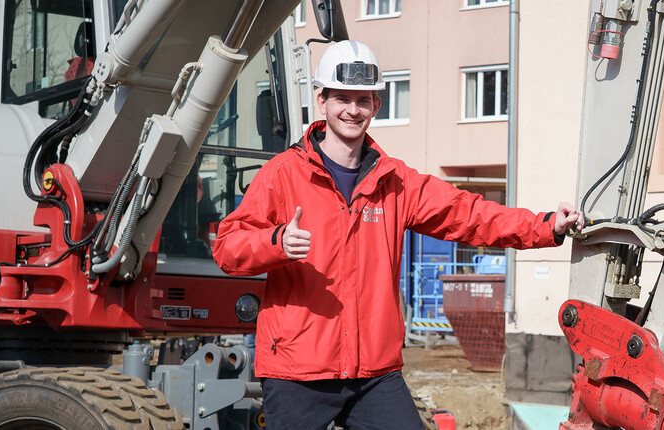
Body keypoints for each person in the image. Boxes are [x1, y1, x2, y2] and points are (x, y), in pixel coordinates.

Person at [212, 40, 583, 429]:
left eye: (363, 100)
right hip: (298, 371)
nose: (353, 110)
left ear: (376, 105)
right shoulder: (282, 174)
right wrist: (277, 243)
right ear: (321, 101)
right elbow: (228, 247)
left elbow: (470, 214)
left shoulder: (395, 181)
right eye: (342, 98)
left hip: (374, 374)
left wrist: (545, 226)